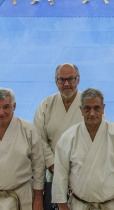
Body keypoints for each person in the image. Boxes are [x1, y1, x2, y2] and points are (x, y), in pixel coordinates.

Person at [51, 88, 114, 210]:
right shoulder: (68, 137)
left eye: (96, 108)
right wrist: (62, 205)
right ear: (81, 110)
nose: (92, 113)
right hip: (80, 205)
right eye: (87, 108)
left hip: (113, 205)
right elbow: (60, 173)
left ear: (103, 108)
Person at [37, 63, 88, 209]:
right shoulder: (46, 105)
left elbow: (98, 137)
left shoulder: (90, 104)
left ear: (78, 79)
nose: (66, 84)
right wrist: (53, 163)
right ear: (55, 81)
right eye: (61, 80)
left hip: (82, 170)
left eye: (70, 79)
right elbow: (38, 138)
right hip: (53, 171)